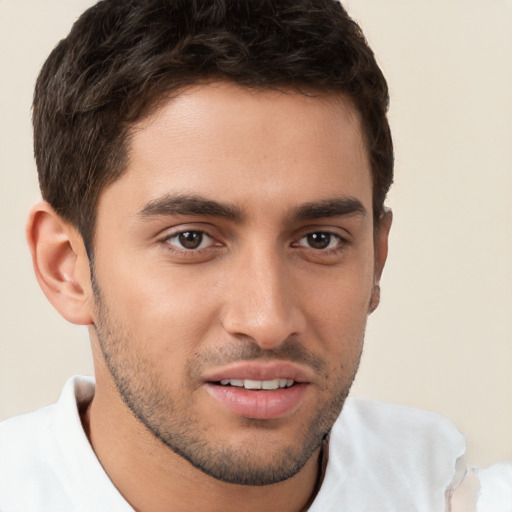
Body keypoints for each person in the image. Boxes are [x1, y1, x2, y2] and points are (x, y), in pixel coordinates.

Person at [0, 0, 509, 510]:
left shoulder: (462, 494)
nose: (268, 320)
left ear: (376, 259)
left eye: (319, 240)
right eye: (191, 239)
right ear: (65, 267)